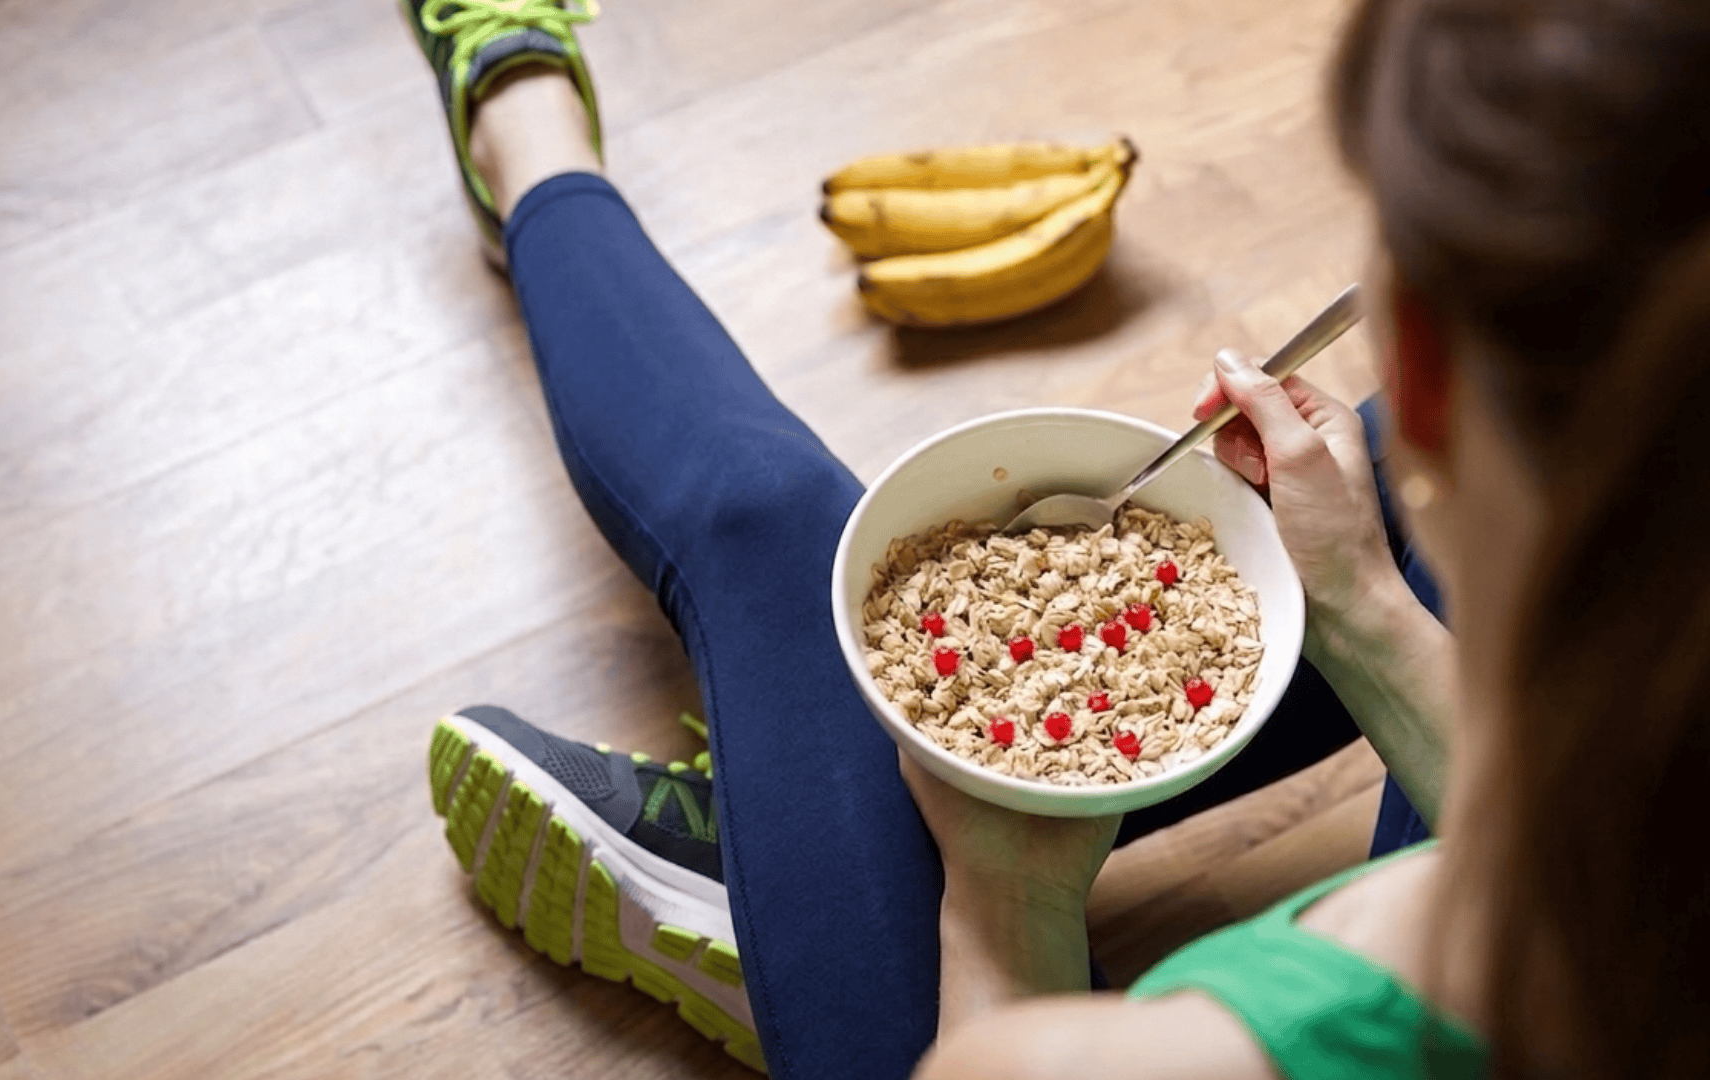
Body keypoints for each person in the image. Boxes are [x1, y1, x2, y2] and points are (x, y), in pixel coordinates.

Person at [410, 0, 1710, 1076]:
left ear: (1417, 355)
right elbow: (1562, 865)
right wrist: (1360, 597)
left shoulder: (1262, 1031)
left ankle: (526, 128)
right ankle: (791, 842)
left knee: (779, 530)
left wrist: (1000, 889)